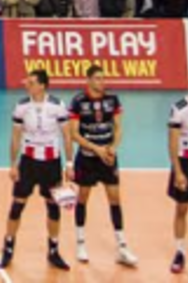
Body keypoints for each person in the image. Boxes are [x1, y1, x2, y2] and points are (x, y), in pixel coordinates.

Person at [0, 69, 74, 270]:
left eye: (31, 82)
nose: (27, 85)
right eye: (27, 82)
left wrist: (69, 164)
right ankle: (8, 248)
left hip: (51, 163)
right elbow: (15, 136)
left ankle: (54, 251)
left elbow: (67, 136)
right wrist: (13, 164)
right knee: (17, 205)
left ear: (42, 85)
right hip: (29, 162)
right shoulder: (22, 107)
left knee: (53, 207)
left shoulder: (57, 106)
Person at [69, 66, 137, 266]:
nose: (102, 82)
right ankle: (81, 243)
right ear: (89, 80)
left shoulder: (112, 100)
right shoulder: (78, 101)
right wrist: (96, 149)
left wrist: (112, 148)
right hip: (87, 158)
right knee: (83, 197)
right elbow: (74, 134)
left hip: (107, 158)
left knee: (115, 199)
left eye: (103, 78)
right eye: (98, 78)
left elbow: (118, 128)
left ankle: (122, 247)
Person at [169, 92, 188, 272]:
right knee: (182, 208)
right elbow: (173, 142)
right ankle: (180, 252)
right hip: (185, 161)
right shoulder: (180, 108)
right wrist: (178, 171)